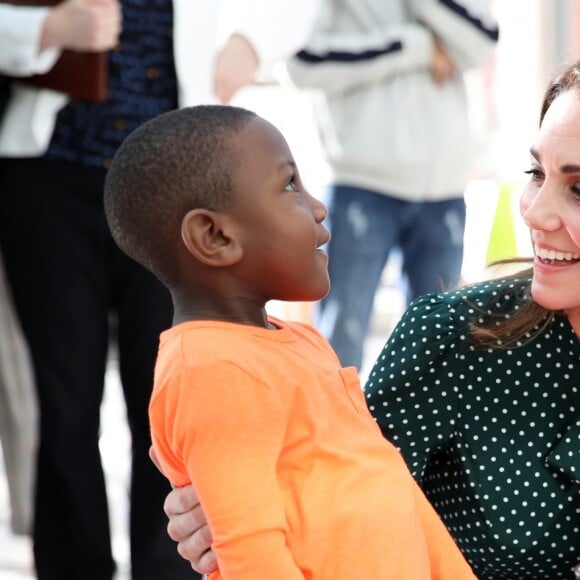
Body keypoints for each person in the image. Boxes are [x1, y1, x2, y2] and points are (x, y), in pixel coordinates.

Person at [159, 60, 580, 579]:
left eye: (578, 189)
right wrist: (231, 513)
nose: (535, 212)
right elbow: (319, 498)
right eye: (536, 174)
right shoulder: (452, 339)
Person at [0, 2, 318, 578]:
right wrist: (42, 31)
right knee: (65, 403)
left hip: (173, 194)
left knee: (172, 401)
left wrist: (250, 39)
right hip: (48, 180)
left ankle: (169, 570)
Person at [104, 104, 476, 579]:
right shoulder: (211, 371)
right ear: (215, 236)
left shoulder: (300, 341)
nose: (317, 207)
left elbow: (392, 486)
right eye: (289, 186)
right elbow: (252, 554)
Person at [279, 0, 499, 369]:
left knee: (441, 345)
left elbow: (483, 43)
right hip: (360, 182)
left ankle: (430, 429)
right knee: (340, 342)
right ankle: (336, 426)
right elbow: (301, 61)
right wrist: (416, 47)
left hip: (442, 186)